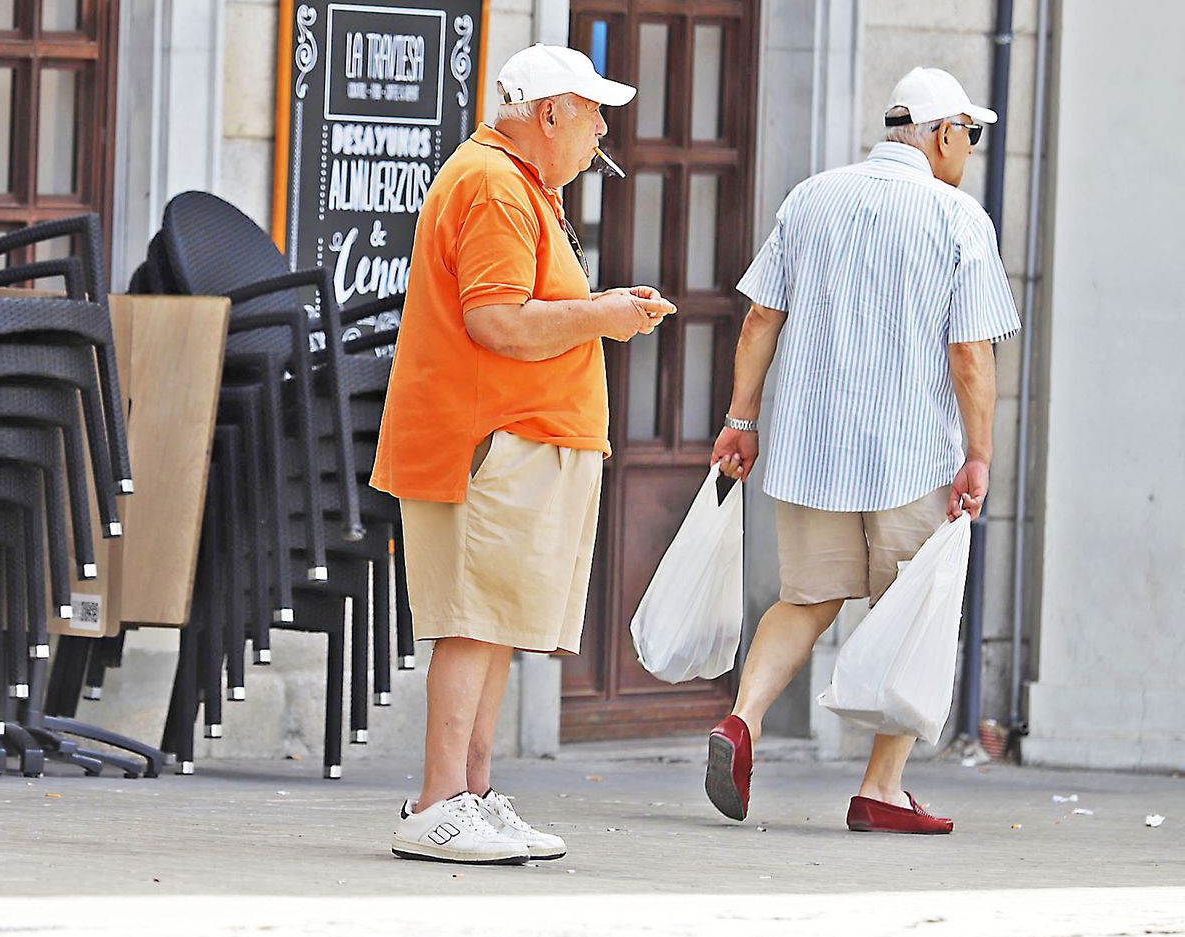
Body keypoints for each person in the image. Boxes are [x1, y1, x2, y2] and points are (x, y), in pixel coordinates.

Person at [372, 43, 675, 864]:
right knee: (473, 624)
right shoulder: (497, 184)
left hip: (511, 440)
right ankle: (439, 801)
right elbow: (496, 321)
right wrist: (604, 314)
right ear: (549, 115)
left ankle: (469, 795)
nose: (602, 130)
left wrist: (603, 309)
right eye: (593, 113)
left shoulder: (515, 182)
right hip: (490, 442)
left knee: (494, 623)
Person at [704, 67, 1022, 835]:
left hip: (812, 450)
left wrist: (741, 419)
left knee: (805, 598)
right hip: (913, 455)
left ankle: (741, 720)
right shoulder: (958, 218)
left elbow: (758, 322)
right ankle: (881, 785)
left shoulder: (812, 197)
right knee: (913, 612)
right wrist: (980, 454)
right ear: (943, 135)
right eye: (969, 135)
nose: (969, 150)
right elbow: (971, 355)